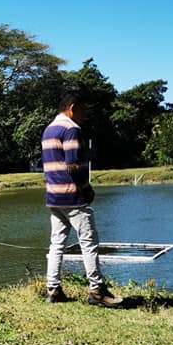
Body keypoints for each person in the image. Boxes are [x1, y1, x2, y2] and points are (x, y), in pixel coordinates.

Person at [41, 92, 122, 307]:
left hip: (54, 196)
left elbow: (62, 160)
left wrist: (85, 154)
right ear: (72, 107)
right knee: (89, 243)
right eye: (83, 111)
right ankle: (97, 290)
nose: (84, 116)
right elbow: (73, 165)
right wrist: (86, 188)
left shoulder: (49, 130)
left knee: (56, 244)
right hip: (72, 196)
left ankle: (53, 289)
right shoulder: (71, 129)